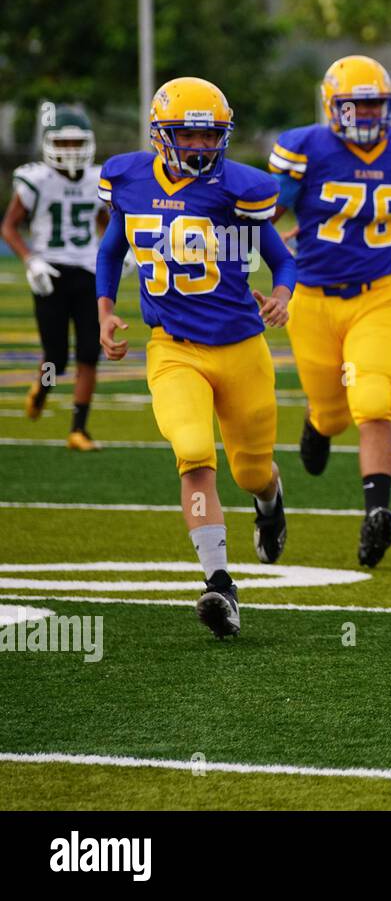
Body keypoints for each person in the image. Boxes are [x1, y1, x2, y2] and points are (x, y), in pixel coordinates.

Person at [96, 77, 296, 639]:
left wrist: (282, 295)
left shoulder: (242, 188)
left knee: (251, 470)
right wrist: (106, 312)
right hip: (173, 349)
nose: (202, 147)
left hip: (242, 350)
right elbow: (112, 249)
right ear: (161, 134)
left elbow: (282, 260)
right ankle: (219, 584)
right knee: (192, 451)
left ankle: (271, 498)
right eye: (189, 134)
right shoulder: (128, 179)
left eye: (211, 137)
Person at [267, 55, 391, 568]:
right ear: (333, 106)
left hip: (382, 296)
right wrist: (267, 252)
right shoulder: (307, 149)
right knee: (332, 413)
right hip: (314, 299)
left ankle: (377, 515)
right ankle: (317, 423)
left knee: (372, 399)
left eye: (375, 103)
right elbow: (267, 214)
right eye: (357, 103)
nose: (368, 113)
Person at [1, 105, 110, 449]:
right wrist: (31, 260)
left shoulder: (98, 179)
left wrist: (120, 252)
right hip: (49, 272)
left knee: (90, 351)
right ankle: (44, 385)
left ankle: (79, 428)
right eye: (63, 143)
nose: (71, 150)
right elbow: (9, 226)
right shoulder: (37, 179)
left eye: (77, 143)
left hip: (89, 271)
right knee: (56, 358)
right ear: (50, 144)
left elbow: (108, 224)